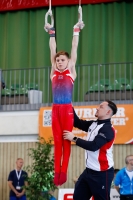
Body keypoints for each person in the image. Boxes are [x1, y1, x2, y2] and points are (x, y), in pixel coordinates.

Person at [44, 20, 84, 186]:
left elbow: (74, 47)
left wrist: (76, 30)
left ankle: (64, 170)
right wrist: (51, 32)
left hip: (67, 109)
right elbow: (52, 48)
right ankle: (57, 171)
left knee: (66, 141)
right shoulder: (53, 71)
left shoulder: (71, 71)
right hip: (55, 109)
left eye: (62, 60)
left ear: (68, 62)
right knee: (57, 141)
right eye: (58, 60)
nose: (60, 62)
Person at [63, 100, 117, 200]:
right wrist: (69, 105)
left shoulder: (108, 130)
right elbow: (77, 122)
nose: (97, 108)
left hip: (102, 173)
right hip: (88, 171)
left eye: (101, 107)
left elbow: (93, 146)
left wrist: (74, 138)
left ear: (108, 112)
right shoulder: (94, 124)